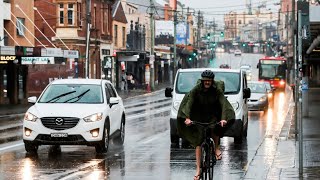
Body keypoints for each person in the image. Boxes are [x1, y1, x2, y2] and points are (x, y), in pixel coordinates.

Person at [177, 70, 235, 180]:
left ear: (212, 81)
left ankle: (216, 147)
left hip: (212, 114)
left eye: (209, 81)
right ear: (202, 81)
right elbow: (189, 103)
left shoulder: (217, 90)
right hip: (198, 115)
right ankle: (198, 169)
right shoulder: (196, 90)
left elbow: (223, 103)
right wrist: (188, 118)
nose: (207, 82)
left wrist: (223, 119)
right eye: (205, 81)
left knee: (214, 127)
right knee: (198, 142)